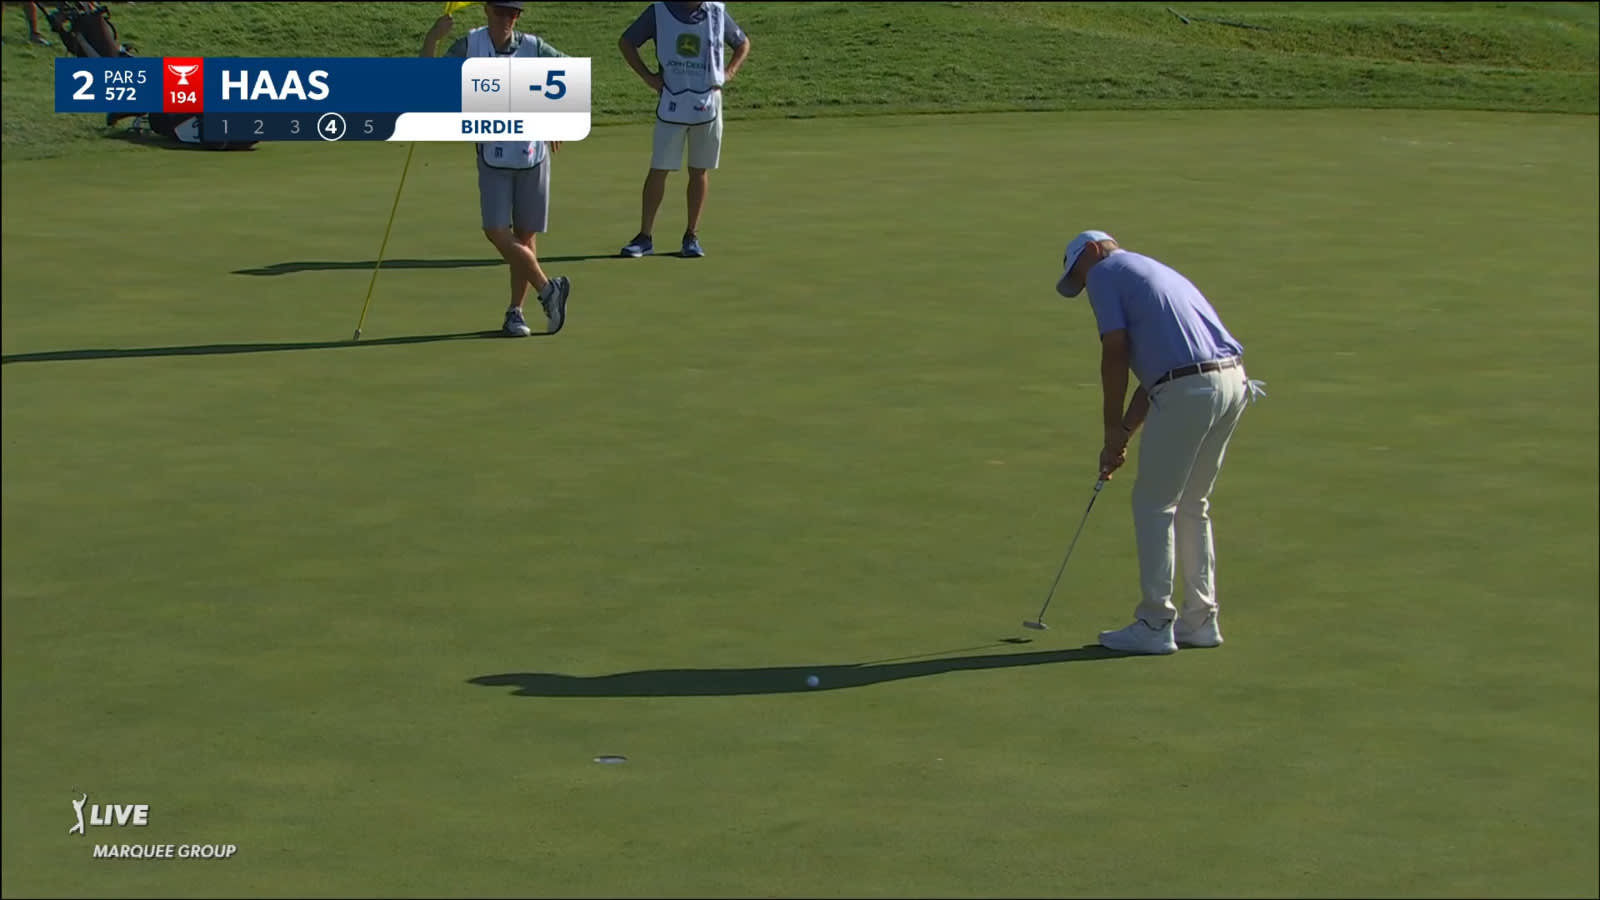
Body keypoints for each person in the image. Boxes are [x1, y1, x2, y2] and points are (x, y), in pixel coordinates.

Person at [1055, 230, 1266, 655]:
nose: (1084, 287)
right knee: (1192, 504)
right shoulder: (1153, 272)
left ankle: (1154, 621)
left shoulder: (1107, 271)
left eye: (1079, 273)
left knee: (1153, 505)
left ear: (1093, 251)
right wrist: (1122, 437)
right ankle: (1201, 621)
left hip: (1192, 389)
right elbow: (1159, 377)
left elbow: (1115, 351)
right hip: (1230, 383)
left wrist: (1110, 426)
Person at [421, 0, 571, 337]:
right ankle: (549, 289)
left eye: (512, 13)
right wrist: (433, 38)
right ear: (487, 10)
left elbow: (568, 73)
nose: (506, 18)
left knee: (525, 235)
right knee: (495, 229)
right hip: (492, 152)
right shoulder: (470, 46)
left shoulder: (533, 47)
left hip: (532, 152)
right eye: (500, 11)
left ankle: (515, 313)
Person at [616, 2, 751, 259]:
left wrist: (729, 72)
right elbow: (627, 42)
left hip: (707, 102)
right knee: (659, 169)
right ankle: (644, 237)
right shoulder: (659, 10)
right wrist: (648, 77)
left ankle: (691, 236)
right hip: (672, 101)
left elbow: (742, 43)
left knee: (699, 170)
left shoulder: (716, 12)